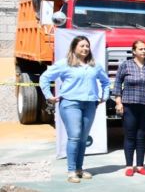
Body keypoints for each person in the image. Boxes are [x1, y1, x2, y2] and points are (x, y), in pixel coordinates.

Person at [39, 35, 110, 183]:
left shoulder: (94, 65)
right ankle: (71, 171)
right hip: (70, 103)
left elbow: (105, 81)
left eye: (87, 46)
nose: (85, 49)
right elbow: (45, 77)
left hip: (90, 103)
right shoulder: (64, 64)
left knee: (83, 138)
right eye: (82, 46)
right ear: (74, 48)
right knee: (75, 136)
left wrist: (105, 95)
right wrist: (48, 95)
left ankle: (79, 168)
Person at [112, 40, 145, 177]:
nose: (144, 51)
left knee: (142, 136)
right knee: (130, 135)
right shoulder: (126, 65)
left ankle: (140, 165)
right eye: (141, 49)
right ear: (134, 51)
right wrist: (118, 102)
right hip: (129, 105)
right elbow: (117, 85)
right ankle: (129, 166)